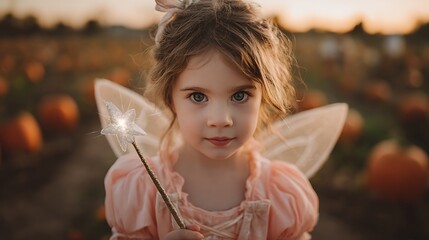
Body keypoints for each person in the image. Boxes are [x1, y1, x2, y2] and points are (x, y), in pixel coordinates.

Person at [104, 0, 318, 239]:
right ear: (170, 98)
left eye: (239, 95)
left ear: (263, 96)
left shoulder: (280, 194)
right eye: (198, 96)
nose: (220, 120)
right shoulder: (145, 190)